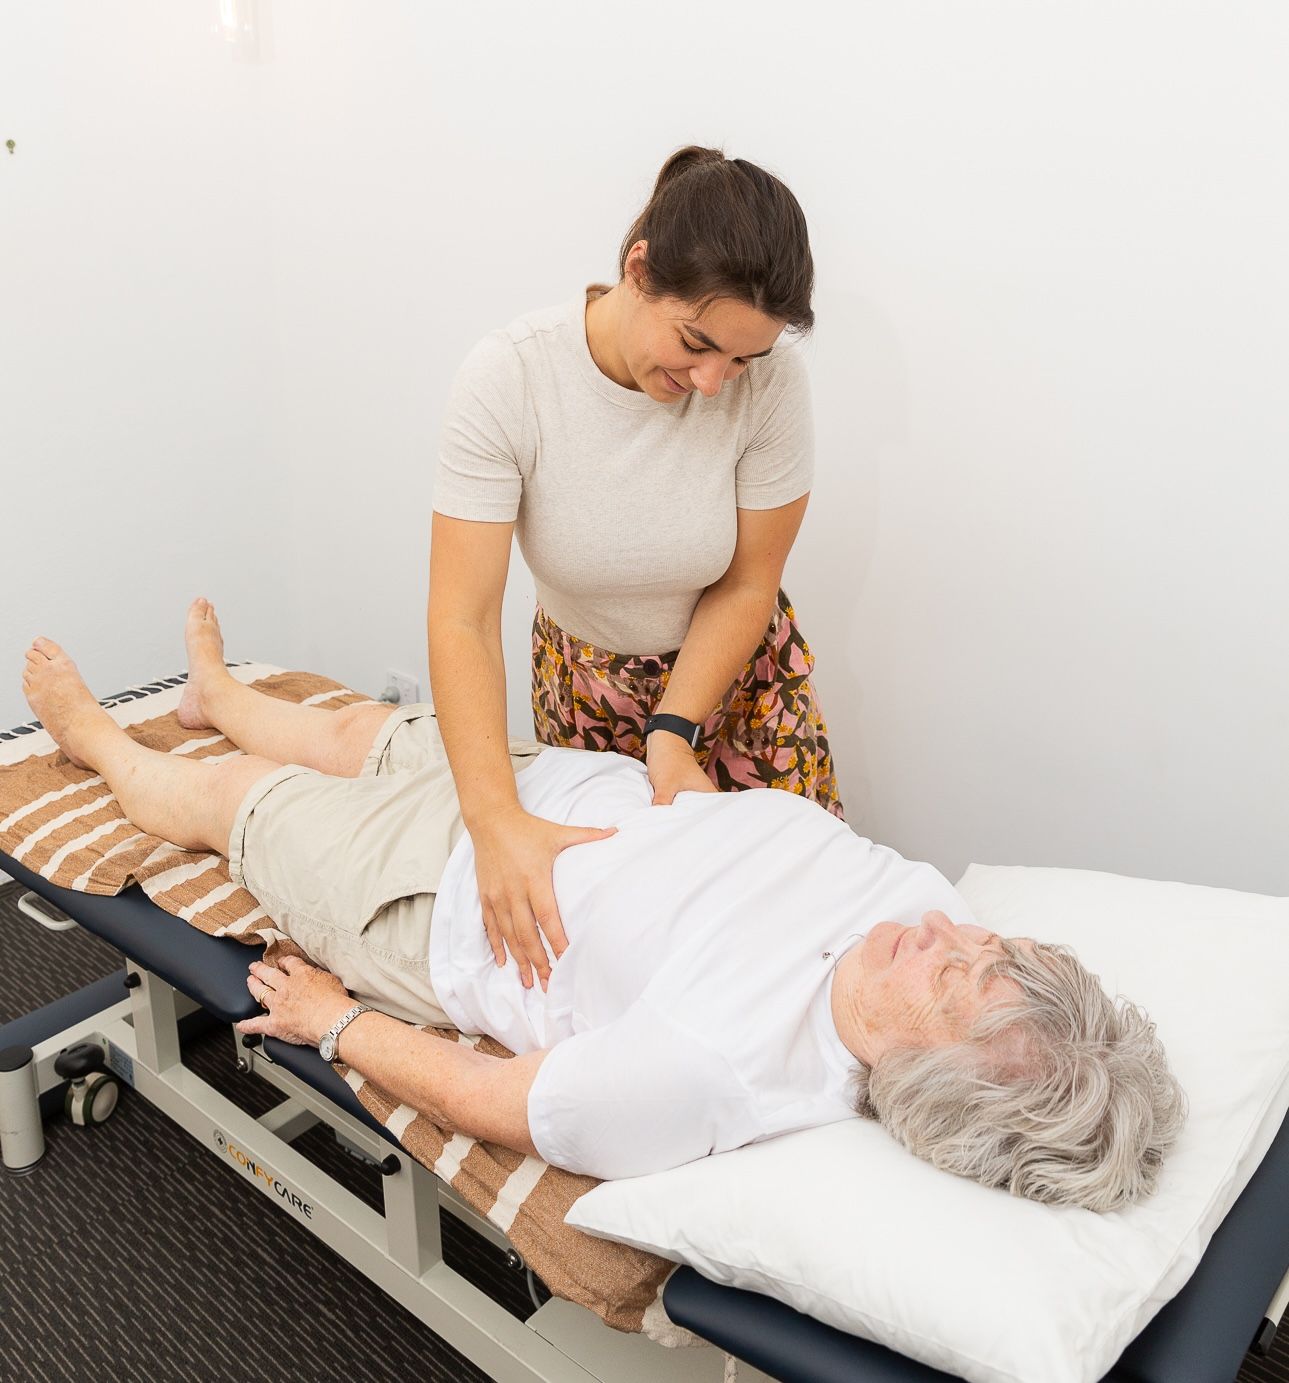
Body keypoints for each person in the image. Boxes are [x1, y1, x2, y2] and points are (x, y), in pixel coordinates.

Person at [20, 602, 1186, 1211]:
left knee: (230, 795)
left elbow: (493, 1098)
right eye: (980, 944)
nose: (939, 929)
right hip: (527, 786)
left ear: (910, 1071)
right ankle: (217, 692)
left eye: (943, 974)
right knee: (342, 730)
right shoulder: (920, 909)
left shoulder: (715, 1071)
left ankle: (94, 742)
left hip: (430, 899)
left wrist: (336, 1022)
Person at [430, 145, 840, 998]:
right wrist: (494, 817)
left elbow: (744, 583)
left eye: (742, 359)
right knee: (622, 966)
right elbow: (462, 617)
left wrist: (672, 731)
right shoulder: (511, 379)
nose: (714, 382)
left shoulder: (769, 388)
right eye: (696, 345)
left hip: (736, 689)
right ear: (638, 267)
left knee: (791, 945)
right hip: (583, 691)